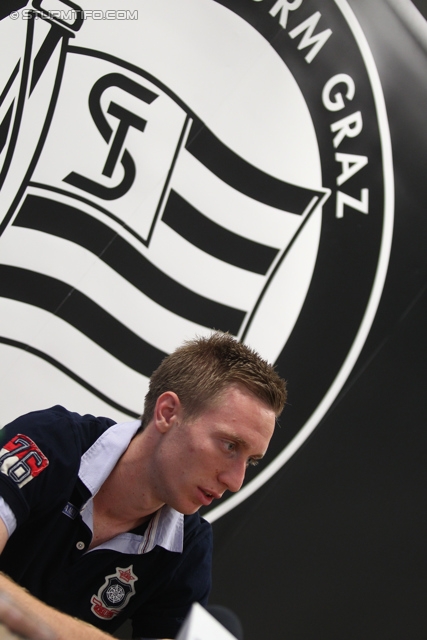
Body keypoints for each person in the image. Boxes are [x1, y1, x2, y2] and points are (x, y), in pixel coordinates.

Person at [0, 332, 287, 639]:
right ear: (168, 413)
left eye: (251, 460)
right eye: (230, 446)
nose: (235, 481)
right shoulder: (50, 443)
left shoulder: (188, 546)